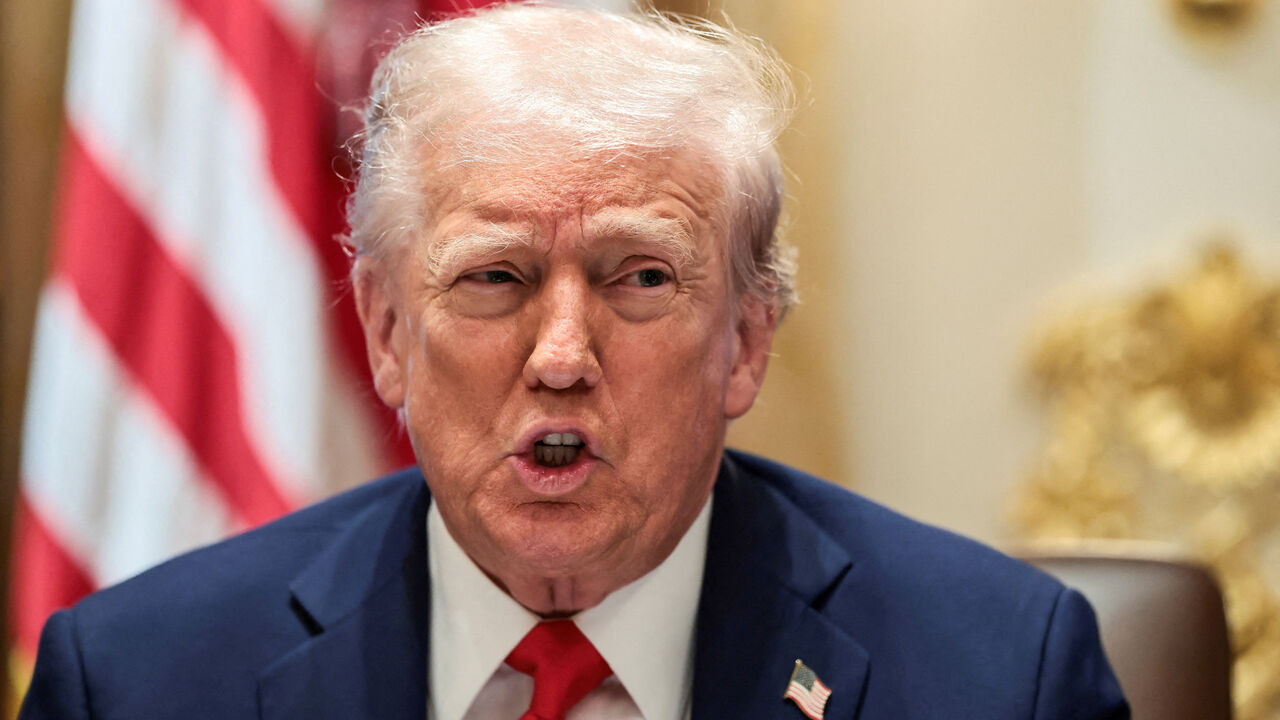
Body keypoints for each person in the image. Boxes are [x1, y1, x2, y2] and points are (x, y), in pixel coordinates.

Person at [20, 3, 1129, 719]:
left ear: (746, 340)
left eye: (638, 278)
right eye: (494, 277)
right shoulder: (138, 680)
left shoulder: (1000, 676)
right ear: (388, 335)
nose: (560, 358)